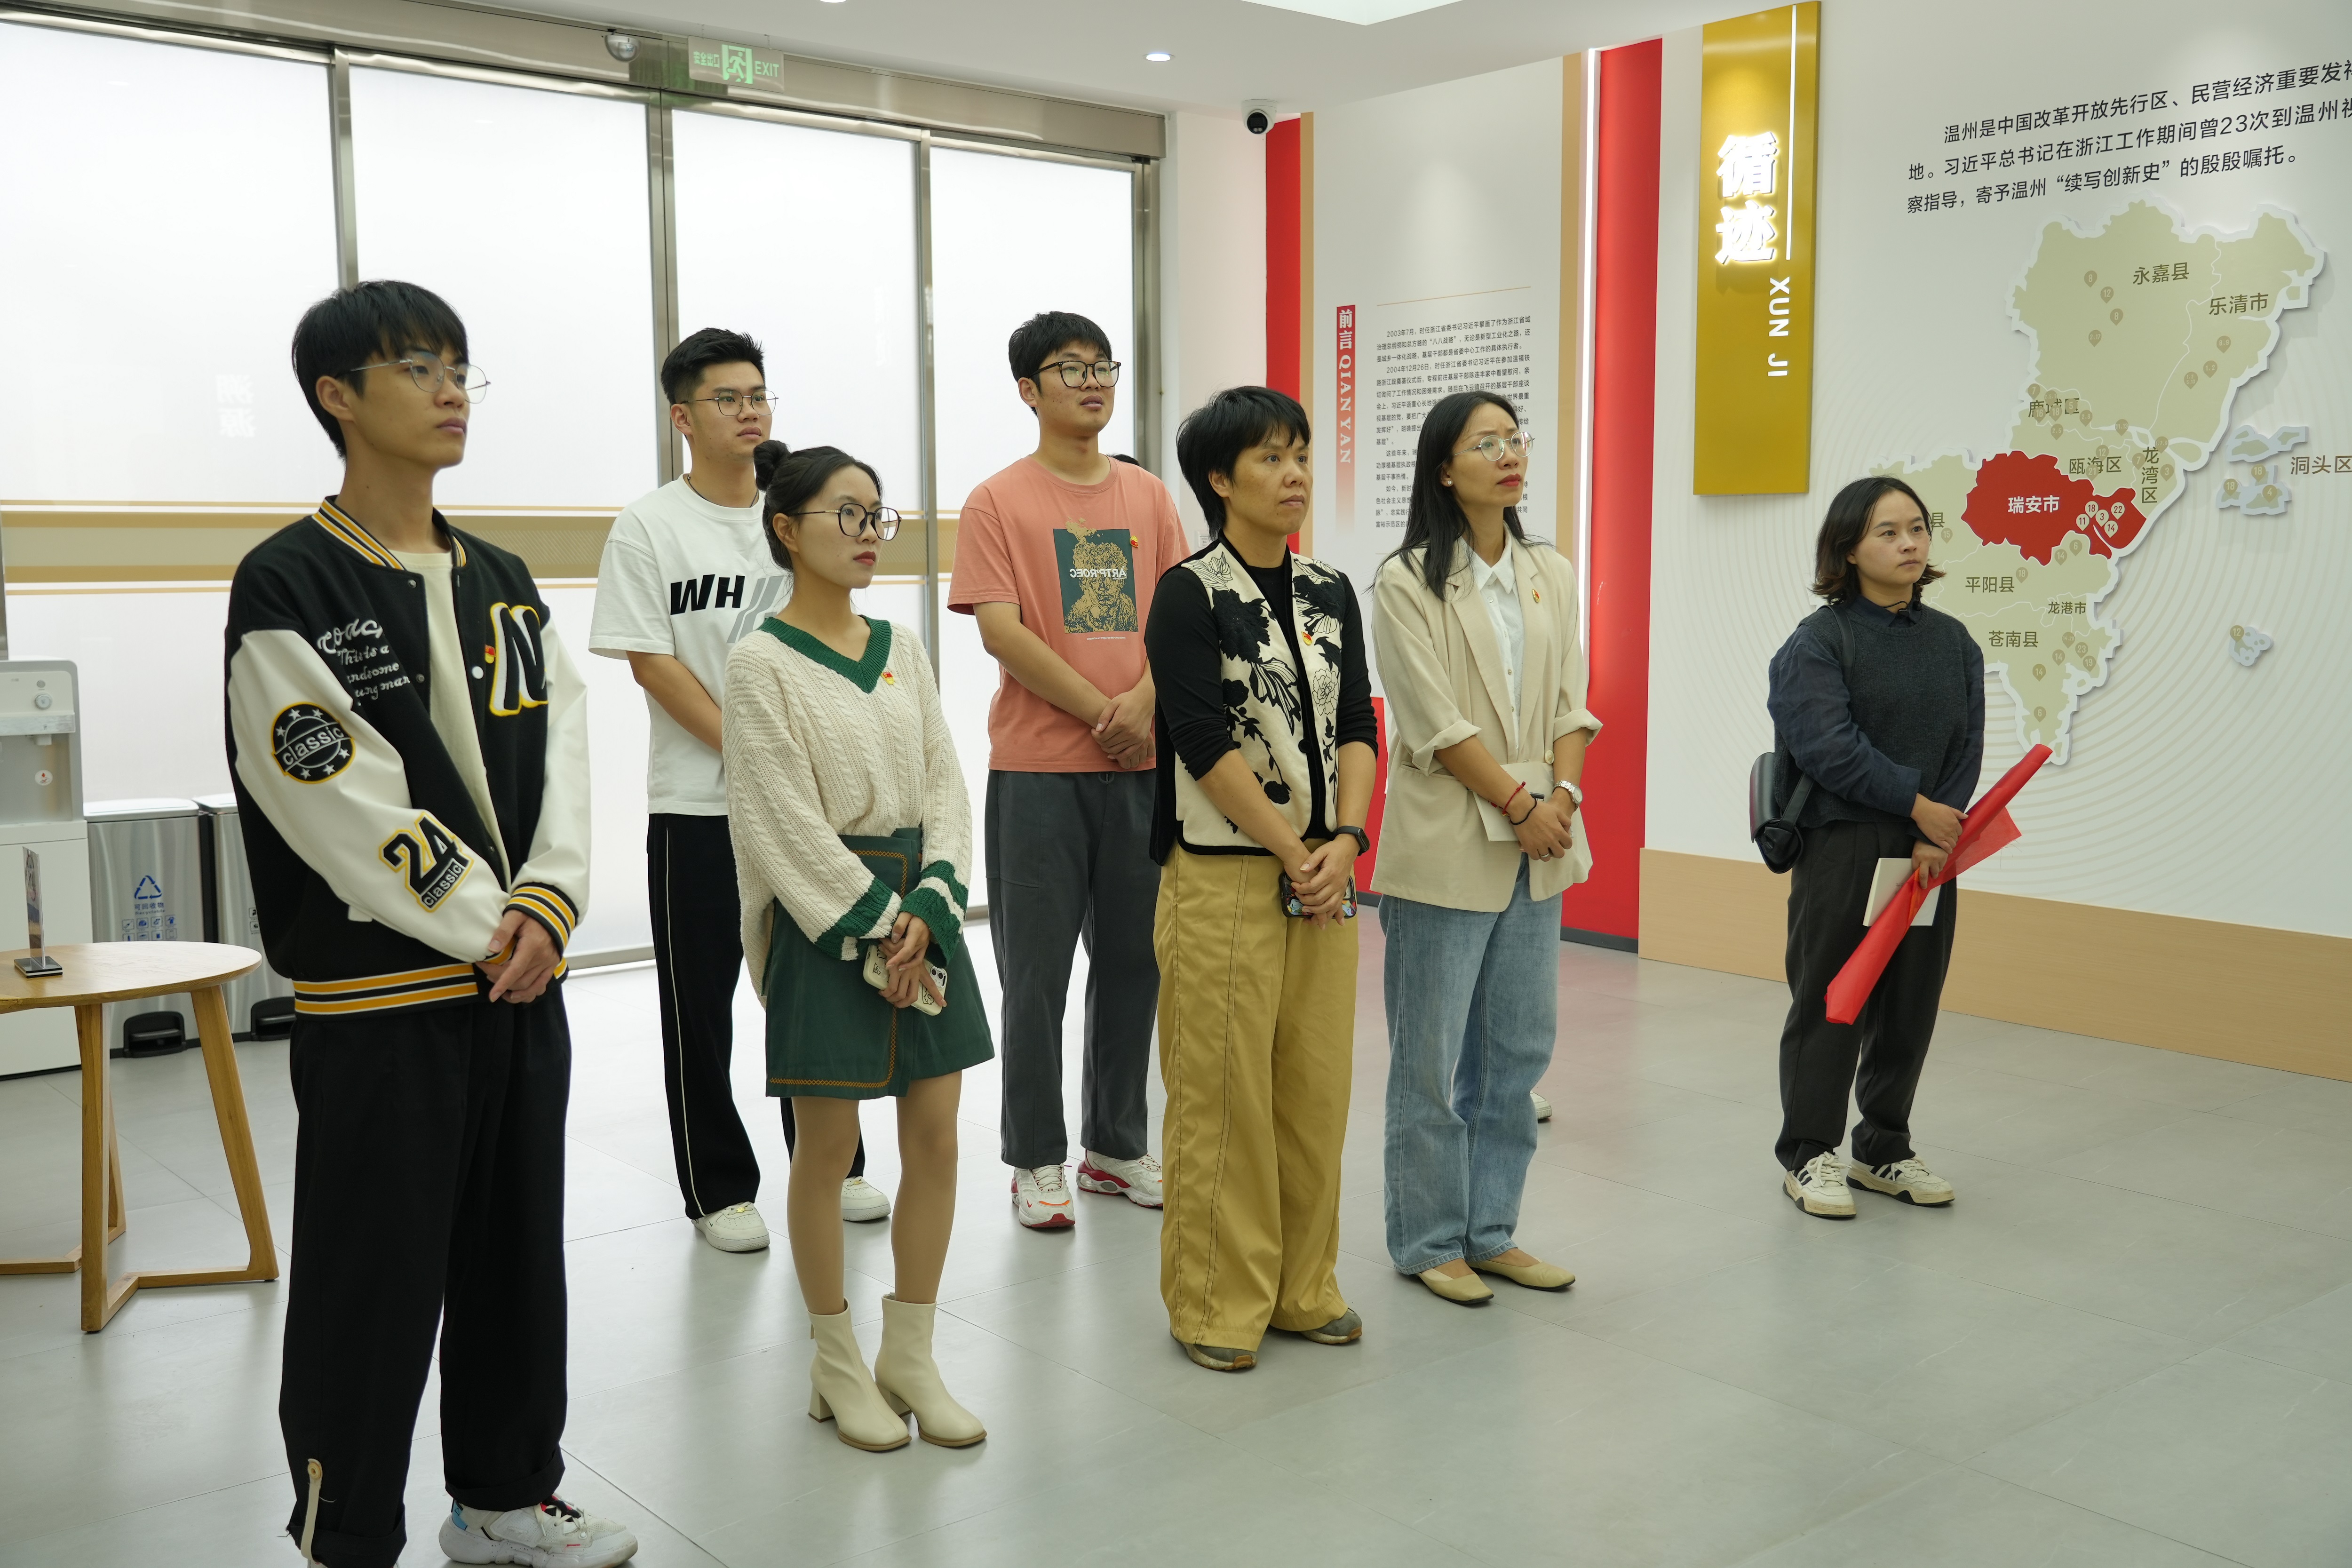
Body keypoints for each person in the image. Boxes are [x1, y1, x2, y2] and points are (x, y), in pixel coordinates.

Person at [228, 280, 634, 1567]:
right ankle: (346, 1527)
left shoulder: (502, 578)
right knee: (371, 1278)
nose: (451, 390)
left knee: (516, 1259)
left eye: (461, 367)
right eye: (417, 367)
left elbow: (565, 749)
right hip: (382, 998)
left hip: (520, 980)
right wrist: (488, 920)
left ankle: (503, 1497)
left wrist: (549, 900)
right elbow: (325, 786)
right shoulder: (290, 578)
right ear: (337, 396)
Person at [590, 328, 884, 1252]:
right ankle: (717, 1187)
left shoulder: (795, 513)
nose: (750, 410)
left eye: (759, 394)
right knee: (701, 1004)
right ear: (684, 417)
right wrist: (758, 758)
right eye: (728, 398)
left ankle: (835, 1162)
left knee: (820, 988)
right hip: (699, 806)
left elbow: (836, 632)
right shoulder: (650, 525)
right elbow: (653, 663)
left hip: (813, 808)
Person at [725, 438, 993, 1450]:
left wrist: (933, 899)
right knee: (828, 1149)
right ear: (787, 530)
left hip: (922, 907)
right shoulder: (758, 662)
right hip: (827, 918)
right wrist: (882, 923)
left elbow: (944, 781)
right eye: (847, 513)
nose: (869, 532)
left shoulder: (903, 647)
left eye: (876, 514)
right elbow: (778, 821)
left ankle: (909, 1353)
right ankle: (835, 1360)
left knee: (937, 1135)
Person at [1146, 386, 1378, 1372]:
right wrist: (1294, 848)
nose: (1294, 475)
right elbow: (1202, 743)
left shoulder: (1331, 588)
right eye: (1271, 459)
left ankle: (1302, 1286)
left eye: (1301, 455)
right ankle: (1215, 1301)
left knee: (1314, 1090)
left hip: (1325, 875)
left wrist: (1347, 840)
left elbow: (1359, 721)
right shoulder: (1187, 592)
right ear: (1220, 478)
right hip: (1226, 875)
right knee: (1222, 1093)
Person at [947, 310, 1189, 1231]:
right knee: (1036, 976)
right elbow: (1001, 630)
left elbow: (1180, 615)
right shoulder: (997, 500)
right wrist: (1103, 710)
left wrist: (1144, 705)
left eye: (1102, 367)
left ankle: (1115, 1145)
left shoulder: (1148, 496)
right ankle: (1035, 1157)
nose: (1092, 382)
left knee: (1135, 964)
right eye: (1069, 368)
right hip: (1040, 772)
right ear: (1028, 389)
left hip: (1142, 765)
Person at [1369, 390, 1600, 1305]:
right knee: (1429, 1061)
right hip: (1450, 837)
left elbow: (1572, 703)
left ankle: (1491, 1230)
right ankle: (1429, 1239)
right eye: (1484, 443)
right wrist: (1520, 801)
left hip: (1541, 835)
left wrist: (1563, 797)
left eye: (1514, 438)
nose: (1508, 454)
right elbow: (1433, 721)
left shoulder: (1551, 570)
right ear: (1444, 469)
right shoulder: (1406, 580)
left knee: (1516, 1053)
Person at [1766, 475, 1983, 1218]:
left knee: (1910, 1000)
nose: (1909, 543)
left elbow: (1967, 744)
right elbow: (1830, 748)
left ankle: (1884, 1146)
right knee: (1833, 998)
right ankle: (1809, 1153)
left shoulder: (1953, 641)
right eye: (1888, 532)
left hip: (1930, 848)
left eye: (1917, 528)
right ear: (1849, 549)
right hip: (1845, 841)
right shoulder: (1819, 641)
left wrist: (1936, 828)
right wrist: (1919, 807)